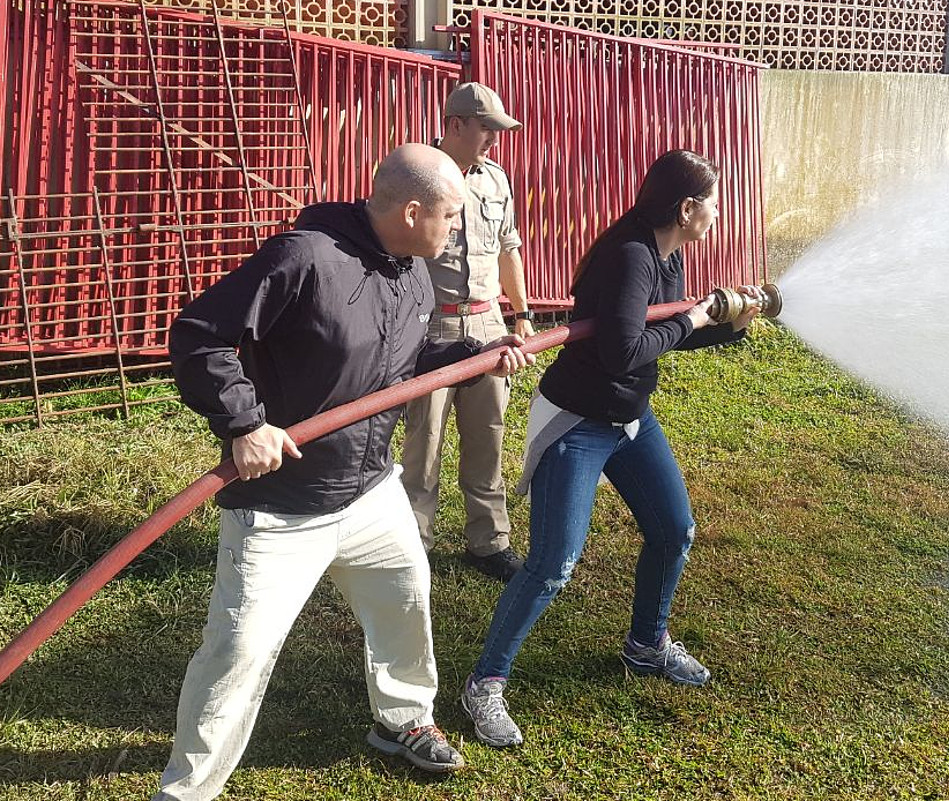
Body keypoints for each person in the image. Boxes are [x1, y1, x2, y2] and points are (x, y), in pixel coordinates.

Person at [155, 143, 535, 800]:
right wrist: (243, 422)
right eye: (449, 217)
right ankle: (185, 789)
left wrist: (478, 353)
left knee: (405, 599)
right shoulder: (303, 257)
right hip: (281, 506)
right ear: (413, 211)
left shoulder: (412, 272)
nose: (456, 231)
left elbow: (407, 364)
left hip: (369, 491)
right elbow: (199, 336)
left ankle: (403, 718)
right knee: (237, 651)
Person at [458, 149, 765, 747]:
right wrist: (697, 320)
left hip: (628, 418)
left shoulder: (666, 254)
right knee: (554, 565)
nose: (719, 212)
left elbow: (662, 340)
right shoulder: (630, 256)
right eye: (714, 202)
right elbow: (624, 351)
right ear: (687, 208)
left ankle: (647, 645)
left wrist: (727, 324)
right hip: (577, 421)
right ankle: (485, 682)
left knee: (675, 531)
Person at [401, 82, 533, 583]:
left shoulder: (495, 181)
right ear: (455, 124)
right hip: (431, 324)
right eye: (486, 129)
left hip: (486, 321)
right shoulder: (419, 175)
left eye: (498, 131)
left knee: (488, 434)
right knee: (424, 440)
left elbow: (508, 249)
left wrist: (520, 315)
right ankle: (415, 544)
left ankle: (489, 541)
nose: (494, 140)